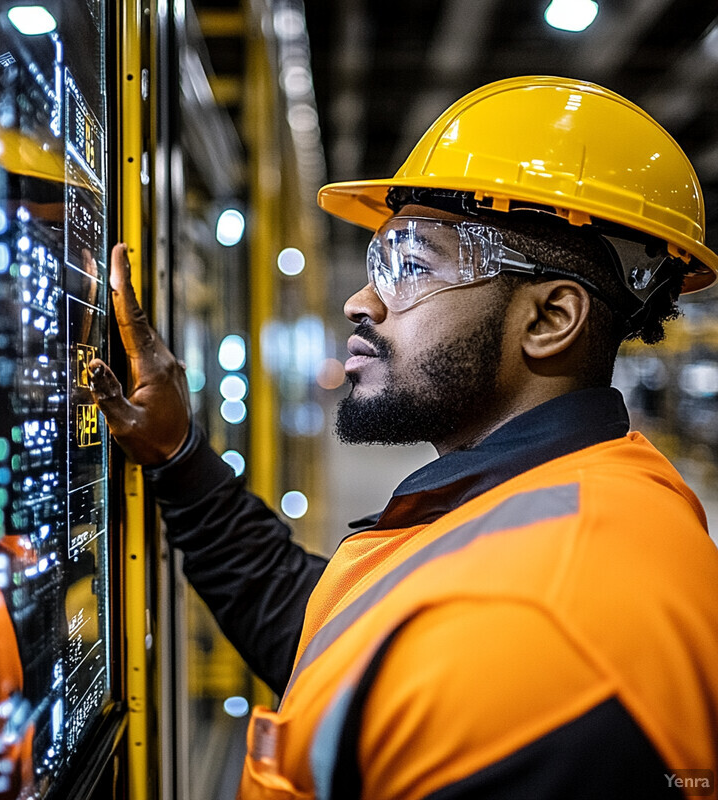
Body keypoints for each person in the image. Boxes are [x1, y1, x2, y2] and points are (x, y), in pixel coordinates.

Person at [88, 76, 718, 799]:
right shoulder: (550, 502)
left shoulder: (541, 637)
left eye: (412, 266)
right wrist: (178, 456)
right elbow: (339, 637)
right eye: (377, 262)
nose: (361, 300)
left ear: (549, 321)